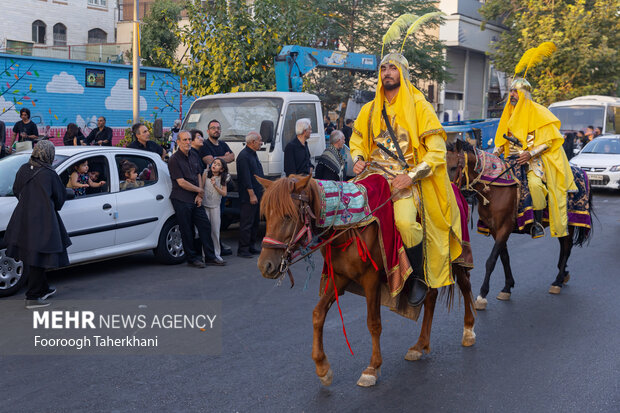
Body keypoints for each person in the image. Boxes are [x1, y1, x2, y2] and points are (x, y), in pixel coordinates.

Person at [350, 52, 462, 306]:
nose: (387, 72)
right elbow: (357, 140)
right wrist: (357, 157)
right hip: (372, 174)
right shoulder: (369, 110)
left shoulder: (420, 106)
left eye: (393, 68)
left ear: (403, 73)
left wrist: (410, 177)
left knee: (405, 222)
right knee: (346, 209)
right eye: (383, 68)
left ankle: (418, 277)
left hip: (404, 179)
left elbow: (436, 152)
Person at [494, 79, 577, 239]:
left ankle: (537, 223)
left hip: (532, 160)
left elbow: (549, 141)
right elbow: (502, 139)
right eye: (511, 91)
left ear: (524, 93)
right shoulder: (508, 112)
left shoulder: (539, 112)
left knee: (535, 185)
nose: (511, 95)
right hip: (510, 160)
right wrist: (495, 152)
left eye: (515, 91)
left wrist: (530, 154)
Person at [4, 140, 71, 309]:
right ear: (49, 154)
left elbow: (17, 190)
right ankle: (32, 297)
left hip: (23, 217)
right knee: (38, 256)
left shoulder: (23, 169)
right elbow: (60, 199)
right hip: (43, 219)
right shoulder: (49, 173)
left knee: (33, 254)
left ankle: (42, 289)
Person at [167, 130, 224, 267]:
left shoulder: (194, 155)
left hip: (195, 198)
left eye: (189, 139)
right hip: (181, 198)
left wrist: (199, 194)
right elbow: (181, 182)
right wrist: (200, 190)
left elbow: (198, 174)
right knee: (187, 230)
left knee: (205, 226)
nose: (187, 142)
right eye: (184, 140)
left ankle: (210, 257)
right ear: (178, 142)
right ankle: (192, 259)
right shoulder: (174, 159)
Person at [236, 131, 265, 258]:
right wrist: (252, 194)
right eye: (260, 140)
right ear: (252, 142)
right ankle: (243, 249)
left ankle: (251, 246)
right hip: (249, 196)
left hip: (258, 193)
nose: (261, 143)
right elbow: (246, 178)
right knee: (246, 223)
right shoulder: (244, 156)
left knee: (255, 222)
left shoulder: (253, 154)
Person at [202, 158, 228, 264]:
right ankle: (204, 254)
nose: (214, 165)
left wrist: (215, 185)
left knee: (215, 231)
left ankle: (217, 253)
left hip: (215, 206)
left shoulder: (223, 178)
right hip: (205, 205)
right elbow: (201, 187)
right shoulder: (206, 173)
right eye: (214, 163)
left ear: (221, 169)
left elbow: (224, 193)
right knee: (204, 231)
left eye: (218, 165)